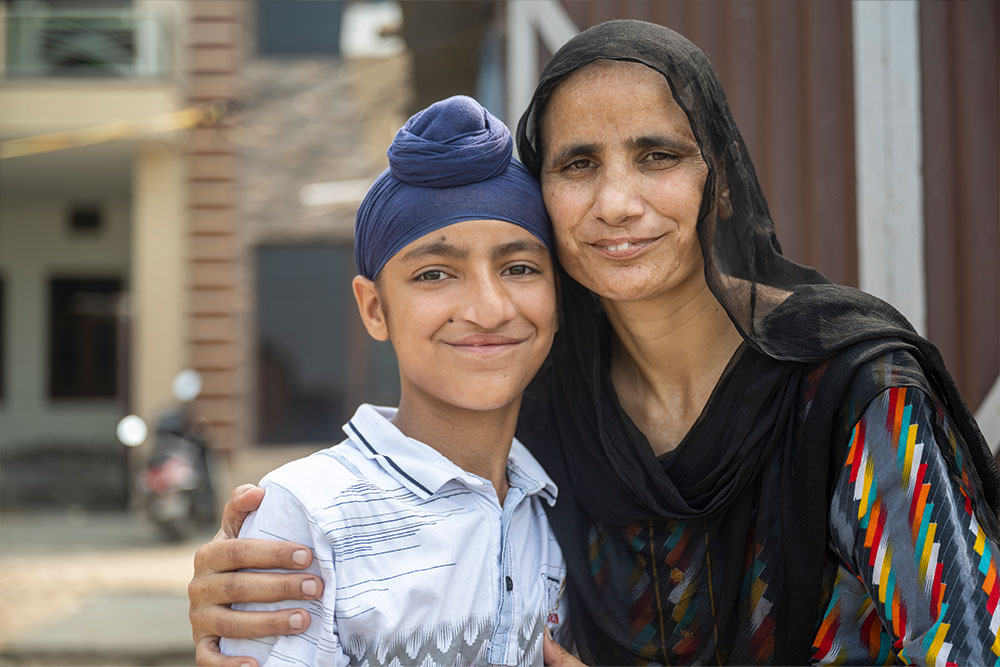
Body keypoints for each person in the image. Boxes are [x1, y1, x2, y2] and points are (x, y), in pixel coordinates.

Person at [190, 20, 1000, 666]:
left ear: (716, 181)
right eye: (578, 163)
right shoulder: (545, 410)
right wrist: (256, 581)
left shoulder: (853, 392)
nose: (616, 201)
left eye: (658, 155)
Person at [217, 95, 570, 666]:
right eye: (435, 274)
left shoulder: (553, 504)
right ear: (375, 309)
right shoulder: (308, 513)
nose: (488, 307)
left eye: (519, 267)